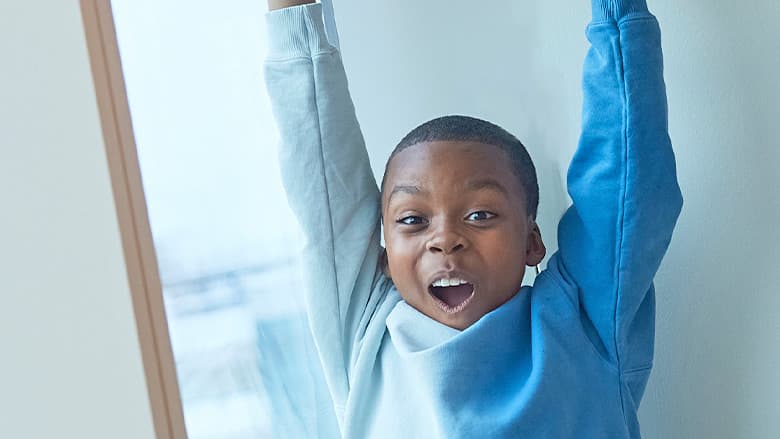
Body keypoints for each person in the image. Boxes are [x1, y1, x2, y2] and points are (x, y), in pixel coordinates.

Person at [263, 0, 683, 437]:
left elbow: (626, 180)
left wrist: (617, 15)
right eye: (412, 220)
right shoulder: (364, 335)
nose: (445, 239)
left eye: (480, 214)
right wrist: (292, 19)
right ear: (383, 252)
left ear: (531, 242)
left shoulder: (581, 323)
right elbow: (320, 166)